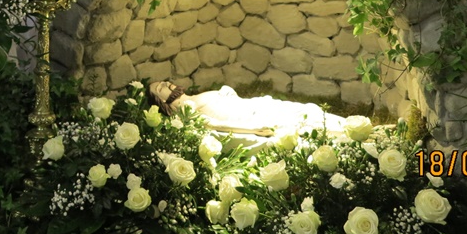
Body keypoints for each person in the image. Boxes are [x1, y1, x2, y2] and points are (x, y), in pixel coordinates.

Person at [148, 81, 349, 138]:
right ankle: (351, 133)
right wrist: (252, 129)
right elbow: (214, 124)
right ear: (161, 101)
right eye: (160, 88)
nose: (166, 84)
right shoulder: (186, 108)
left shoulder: (194, 97)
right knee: (307, 119)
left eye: (164, 81)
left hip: (256, 106)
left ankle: (352, 127)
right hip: (251, 116)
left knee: (309, 110)